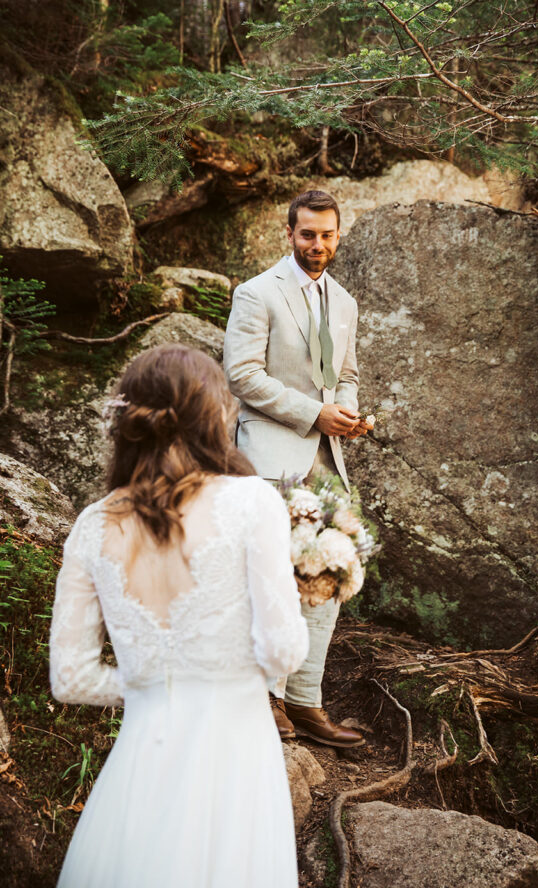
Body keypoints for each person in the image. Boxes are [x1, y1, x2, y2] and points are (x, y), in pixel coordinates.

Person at [49, 344, 309, 888]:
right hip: (235, 757)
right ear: (213, 415)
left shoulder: (92, 526)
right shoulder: (252, 503)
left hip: (142, 754)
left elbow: (70, 679)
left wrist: (151, 682)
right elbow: (283, 651)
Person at [224, 189, 371, 748]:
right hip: (268, 460)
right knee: (276, 580)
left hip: (327, 463)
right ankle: (267, 697)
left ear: (338, 235)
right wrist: (315, 413)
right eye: (307, 234)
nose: (318, 245)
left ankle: (307, 701)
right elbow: (242, 375)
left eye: (327, 235)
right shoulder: (256, 293)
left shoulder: (346, 302)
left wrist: (348, 413)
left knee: (329, 578)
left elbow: (347, 373)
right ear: (289, 233)